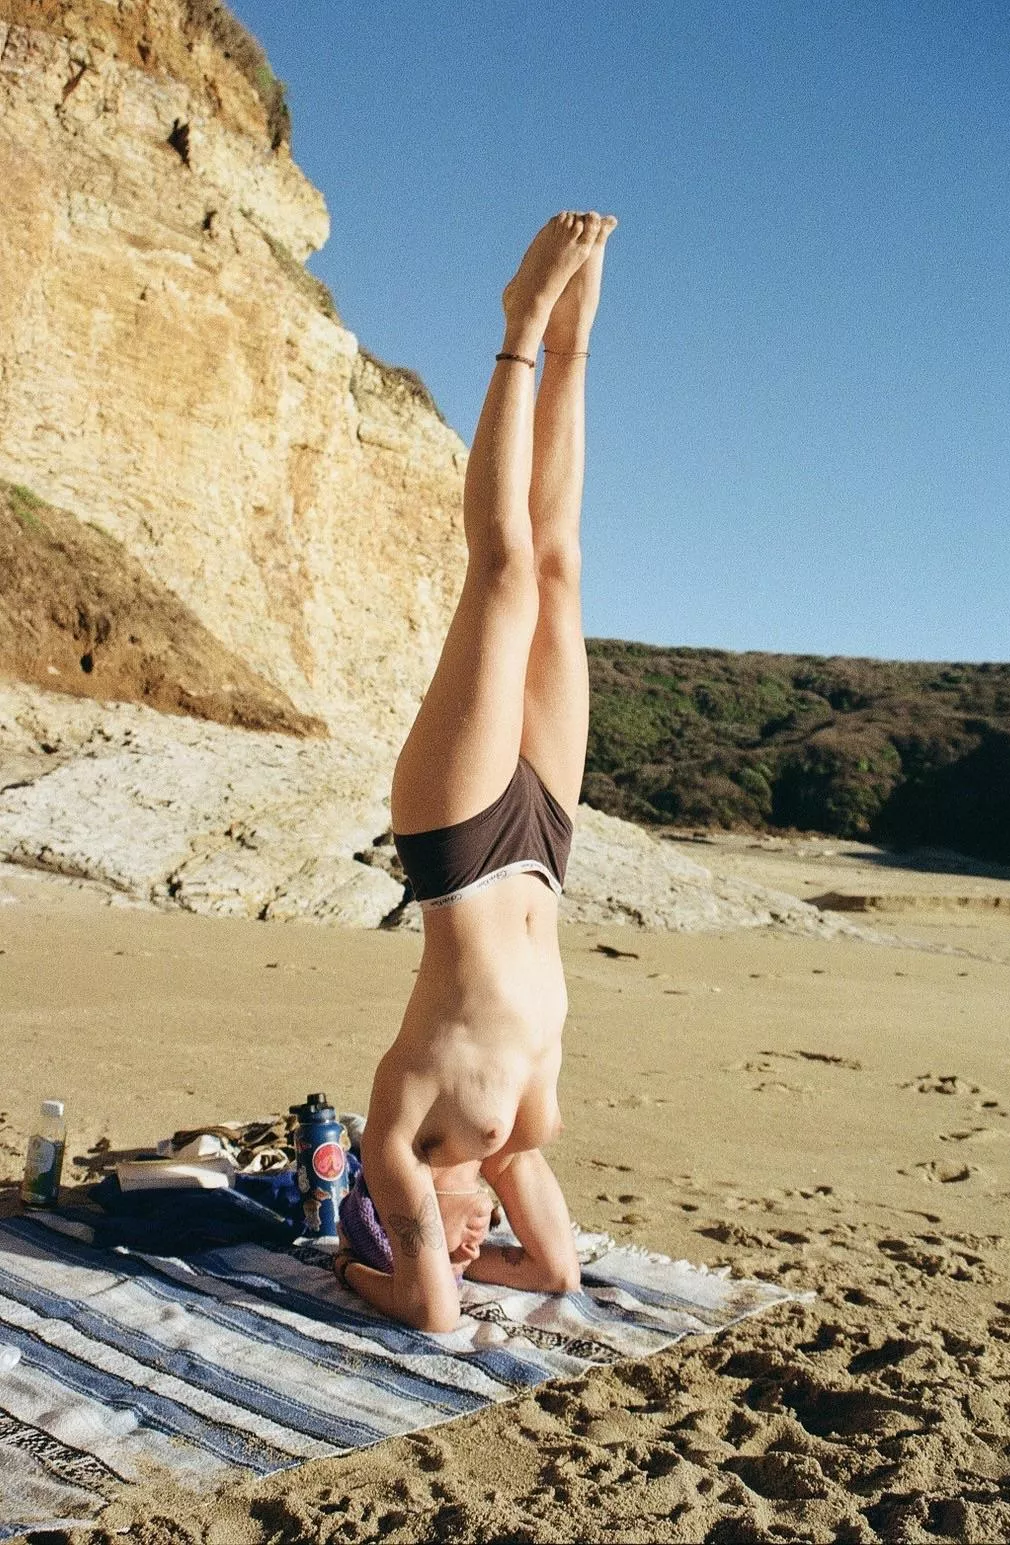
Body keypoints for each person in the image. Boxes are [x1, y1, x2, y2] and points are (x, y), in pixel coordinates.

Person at [335, 211, 617, 1332]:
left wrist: (361, 1270)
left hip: (455, 852)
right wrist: (491, 1248)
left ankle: (518, 327)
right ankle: (579, 342)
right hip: (544, 851)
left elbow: (434, 1315)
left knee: (499, 574)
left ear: (376, 1206)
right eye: (467, 1242)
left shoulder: (395, 1139)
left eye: (436, 1237)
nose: (466, 1244)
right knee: (558, 566)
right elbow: (553, 1276)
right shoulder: (517, 1142)